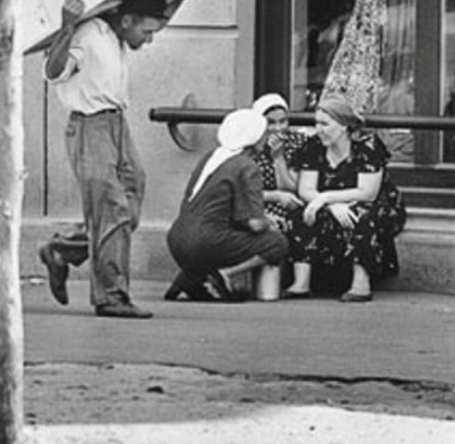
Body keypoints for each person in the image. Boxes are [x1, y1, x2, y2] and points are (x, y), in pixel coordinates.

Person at [37, 0, 195, 319]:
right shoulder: (89, 33)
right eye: (146, 32)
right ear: (127, 20)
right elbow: (53, 72)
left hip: (116, 124)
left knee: (129, 204)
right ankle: (110, 296)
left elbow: (158, 23)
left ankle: (62, 250)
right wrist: (67, 26)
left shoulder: (117, 34)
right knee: (111, 208)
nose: (150, 39)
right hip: (90, 125)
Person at [282, 94, 407, 302]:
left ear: (343, 126)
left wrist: (326, 198)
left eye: (325, 124)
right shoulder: (315, 146)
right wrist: (330, 205)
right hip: (331, 201)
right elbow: (305, 189)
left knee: (363, 215)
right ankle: (301, 283)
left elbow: (368, 192)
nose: (319, 129)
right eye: (316, 124)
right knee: (301, 212)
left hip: (375, 203)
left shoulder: (368, 146)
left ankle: (361, 284)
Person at [164, 108, 289, 302]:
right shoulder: (247, 166)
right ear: (253, 137)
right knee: (277, 242)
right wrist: (270, 223)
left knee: (215, 239)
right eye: (263, 133)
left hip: (176, 239)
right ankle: (225, 274)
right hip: (206, 242)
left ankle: (191, 278)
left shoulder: (211, 157)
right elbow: (255, 223)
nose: (265, 137)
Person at [249, 93, 308, 232]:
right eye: (271, 122)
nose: (278, 128)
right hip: (259, 206)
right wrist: (274, 196)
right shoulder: (250, 146)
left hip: (292, 205)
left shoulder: (298, 142)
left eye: (283, 121)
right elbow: (242, 192)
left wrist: (278, 158)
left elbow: (294, 187)